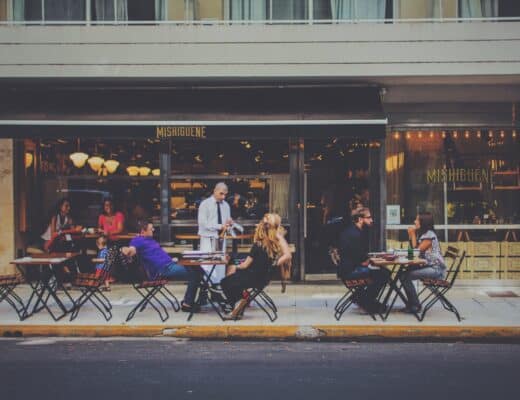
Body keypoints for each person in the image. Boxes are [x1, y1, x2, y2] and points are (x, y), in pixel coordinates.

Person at [220, 213, 291, 319]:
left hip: (252, 277)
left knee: (225, 282)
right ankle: (239, 305)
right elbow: (287, 255)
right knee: (233, 279)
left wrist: (234, 266)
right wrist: (275, 263)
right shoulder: (278, 239)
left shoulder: (258, 244)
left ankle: (238, 304)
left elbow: (245, 265)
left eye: (266, 219)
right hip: (264, 278)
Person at [121, 220, 202, 312]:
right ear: (143, 232)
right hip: (163, 269)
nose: (153, 230)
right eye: (151, 229)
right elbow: (131, 250)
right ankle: (187, 304)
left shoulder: (150, 240)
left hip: (170, 264)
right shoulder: (137, 240)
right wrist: (123, 249)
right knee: (195, 274)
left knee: (198, 269)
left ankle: (193, 299)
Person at [337, 207, 390, 313]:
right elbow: (360, 258)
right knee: (383, 274)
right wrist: (369, 261)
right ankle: (366, 301)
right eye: (369, 218)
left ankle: (362, 298)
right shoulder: (354, 234)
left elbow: (360, 256)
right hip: (350, 271)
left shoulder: (354, 231)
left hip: (348, 268)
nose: (371, 220)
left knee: (382, 272)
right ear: (360, 219)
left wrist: (369, 260)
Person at [401, 212, 447, 313]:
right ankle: (412, 304)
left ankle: (415, 305)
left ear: (423, 222)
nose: (414, 222)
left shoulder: (429, 236)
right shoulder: (424, 234)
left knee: (405, 276)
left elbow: (414, 253)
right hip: (430, 267)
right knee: (403, 274)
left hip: (436, 270)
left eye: (417, 220)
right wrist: (411, 236)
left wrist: (412, 235)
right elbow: (412, 253)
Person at [197, 182, 233, 284]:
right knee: (207, 265)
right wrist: (220, 226)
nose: (223, 197)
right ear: (215, 191)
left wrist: (229, 224)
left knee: (220, 266)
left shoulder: (226, 205)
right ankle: (205, 289)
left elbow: (226, 223)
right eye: (221, 194)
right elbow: (203, 223)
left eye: (225, 194)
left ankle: (217, 290)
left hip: (221, 238)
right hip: (208, 238)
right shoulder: (205, 204)